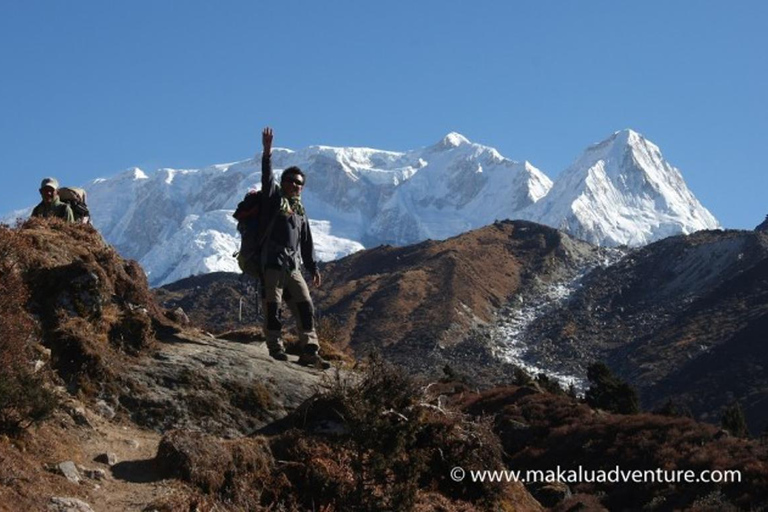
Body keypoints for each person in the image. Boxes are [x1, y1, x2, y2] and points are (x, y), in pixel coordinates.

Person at [258, 126, 329, 369]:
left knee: (305, 305)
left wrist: (313, 267)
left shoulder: (299, 211)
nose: (296, 185)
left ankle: (310, 350)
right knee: (273, 307)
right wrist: (267, 153)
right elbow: (267, 178)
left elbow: (306, 242)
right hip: (272, 264)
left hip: (293, 266)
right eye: (292, 181)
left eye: (300, 183)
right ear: (283, 183)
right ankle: (275, 348)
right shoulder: (273, 200)